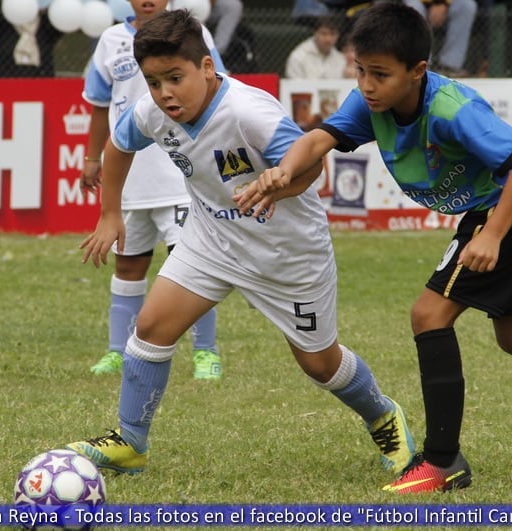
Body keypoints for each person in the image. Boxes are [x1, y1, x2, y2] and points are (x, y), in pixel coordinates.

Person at [238, 1, 512, 493]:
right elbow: (317, 139)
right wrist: (282, 171)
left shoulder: (451, 108)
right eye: (360, 70)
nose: (366, 85)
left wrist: (492, 234)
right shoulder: (370, 103)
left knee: (429, 314)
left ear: (418, 71)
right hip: (499, 210)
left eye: (379, 74)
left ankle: (444, 461)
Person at [68, 8, 415, 478]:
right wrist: (110, 214)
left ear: (207, 67)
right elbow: (118, 146)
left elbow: (313, 168)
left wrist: (278, 185)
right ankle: (131, 442)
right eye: (153, 82)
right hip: (211, 240)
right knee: (150, 327)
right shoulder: (152, 112)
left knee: (319, 363)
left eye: (175, 77)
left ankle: (382, 415)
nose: (164, 93)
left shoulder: (250, 114)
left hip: (288, 253)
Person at [81, 0, 223, 379]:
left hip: (178, 175)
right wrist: (92, 157)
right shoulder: (111, 40)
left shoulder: (194, 35)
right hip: (129, 176)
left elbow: (218, 93)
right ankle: (117, 350)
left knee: (194, 264)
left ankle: (205, 353)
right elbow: (99, 106)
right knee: (128, 264)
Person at [0, 0, 62, 77]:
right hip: (7, 78)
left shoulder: (47, 22)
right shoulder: (3, 19)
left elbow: (59, 29)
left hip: (41, 78)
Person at [403, 0, 477, 76]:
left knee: (466, 5)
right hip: (419, 2)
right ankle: (422, 65)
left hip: (447, 3)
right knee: (413, 7)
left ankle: (450, 66)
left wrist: (443, 3)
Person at [285, 14, 347, 79]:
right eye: (324, 33)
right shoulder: (298, 56)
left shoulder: (341, 59)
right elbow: (294, 86)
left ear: (338, 35)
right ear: (315, 33)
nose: (328, 39)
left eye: (332, 34)